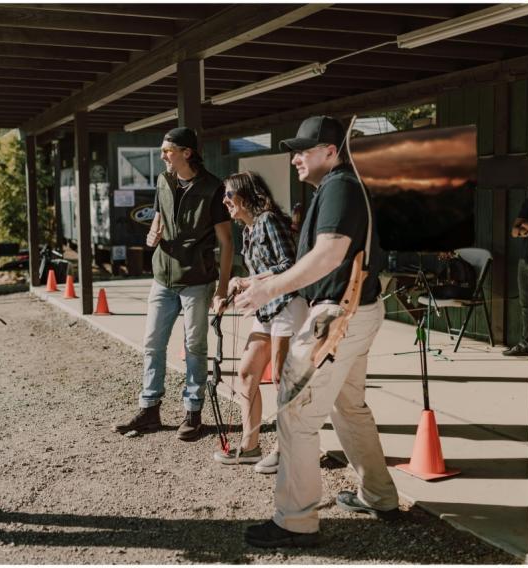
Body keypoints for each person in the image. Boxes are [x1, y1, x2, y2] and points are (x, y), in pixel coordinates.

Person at [234, 116, 399, 548]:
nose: (294, 159)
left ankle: (296, 521)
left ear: (331, 151)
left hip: (336, 317)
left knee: (294, 411)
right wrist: (262, 280)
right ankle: (379, 496)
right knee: (349, 407)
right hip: (354, 311)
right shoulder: (335, 188)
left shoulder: (340, 187)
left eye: (304, 150)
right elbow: (315, 261)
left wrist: (269, 286)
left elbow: (329, 256)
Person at [113, 126, 234, 441]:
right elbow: (159, 215)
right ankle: (149, 409)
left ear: (186, 153)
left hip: (197, 280)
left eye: (167, 151)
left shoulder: (213, 188)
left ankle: (193, 413)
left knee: (194, 346)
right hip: (162, 277)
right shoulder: (163, 180)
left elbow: (226, 241)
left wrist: (221, 288)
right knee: (153, 343)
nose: (163, 156)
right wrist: (153, 232)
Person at [214, 171, 307, 474]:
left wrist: (249, 279)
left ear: (244, 195)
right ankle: (251, 445)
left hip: (287, 304)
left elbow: (290, 265)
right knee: (247, 371)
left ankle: (285, 450)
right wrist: (239, 288)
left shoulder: (268, 220)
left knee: (281, 378)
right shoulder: (247, 230)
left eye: (228, 195)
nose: (225, 201)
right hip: (266, 309)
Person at [504, 195, 528, 356]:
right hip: (525, 259)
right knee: (526, 305)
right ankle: (526, 344)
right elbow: (514, 231)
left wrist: (526, 225)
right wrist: (525, 226)